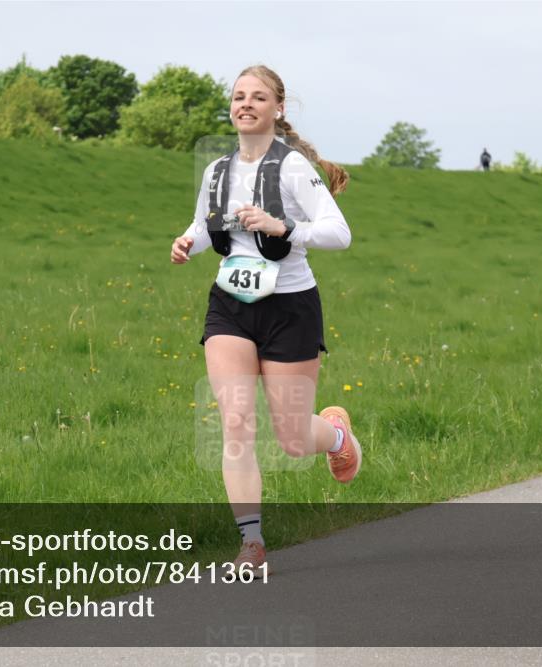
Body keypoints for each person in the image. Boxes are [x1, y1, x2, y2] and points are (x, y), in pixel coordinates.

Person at [169, 65, 362, 576]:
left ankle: (338, 437)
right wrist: (189, 241)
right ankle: (251, 545)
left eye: (257, 97)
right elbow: (206, 224)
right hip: (230, 305)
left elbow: (338, 233)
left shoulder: (294, 168)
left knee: (293, 438)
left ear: (278, 108)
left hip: (290, 307)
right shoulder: (216, 172)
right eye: (238, 97)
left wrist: (285, 226)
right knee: (235, 419)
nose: (245, 104)